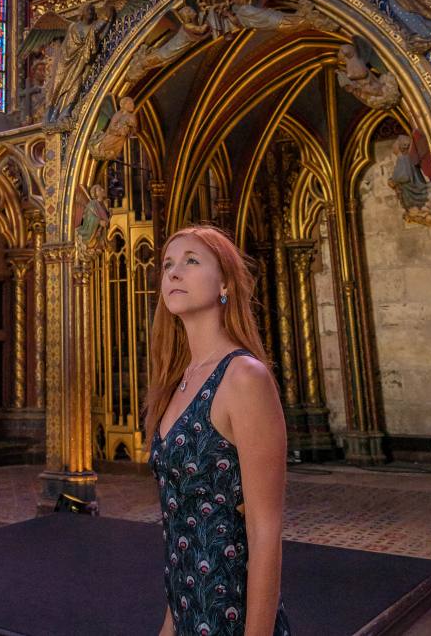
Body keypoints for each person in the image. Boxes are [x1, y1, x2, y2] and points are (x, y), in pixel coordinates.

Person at [145, 225, 291, 636]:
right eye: (168, 265)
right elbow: (181, 525)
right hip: (188, 611)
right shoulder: (177, 382)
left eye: (191, 261)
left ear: (224, 282)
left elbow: (265, 531)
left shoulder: (244, 377)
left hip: (233, 615)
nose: (174, 273)